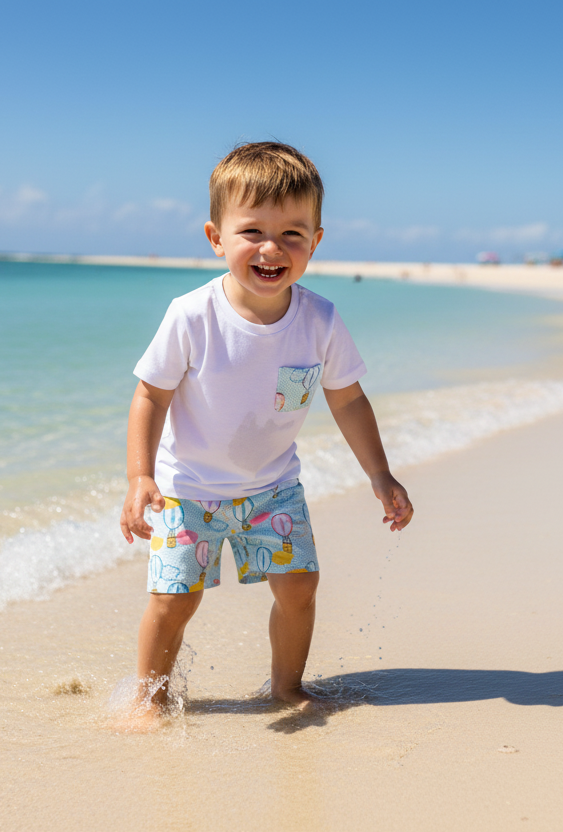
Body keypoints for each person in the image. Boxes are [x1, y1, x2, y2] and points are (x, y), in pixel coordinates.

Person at [119, 141, 413, 725]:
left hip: (272, 489)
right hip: (188, 490)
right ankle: (148, 699)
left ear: (317, 241)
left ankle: (287, 685)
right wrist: (140, 476)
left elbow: (348, 399)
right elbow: (151, 393)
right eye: (252, 230)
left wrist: (381, 475)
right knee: (174, 600)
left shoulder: (320, 320)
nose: (272, 249)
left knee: (301, 586)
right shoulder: (191, 315)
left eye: (293, 234)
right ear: (216, 237)